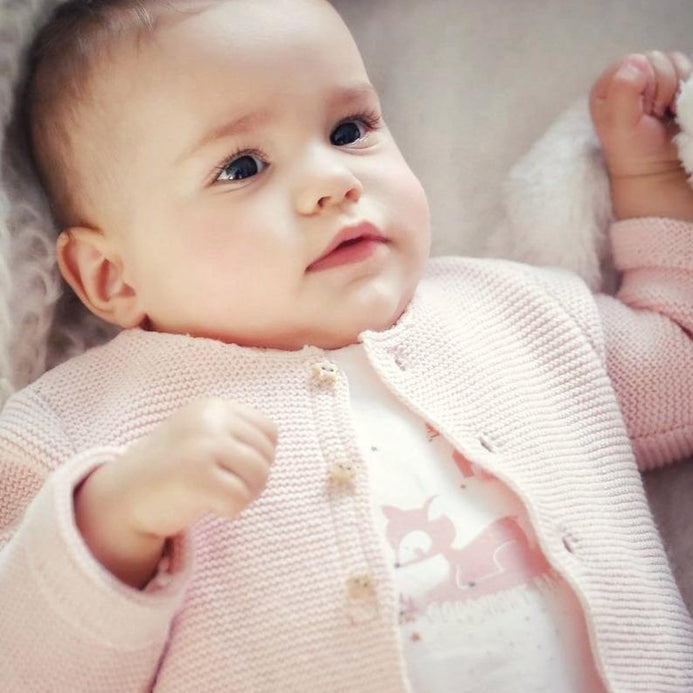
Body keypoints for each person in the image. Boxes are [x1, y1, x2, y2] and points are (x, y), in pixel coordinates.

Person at [1, 0, 692, 690]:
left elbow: (678, 364)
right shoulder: (78, 430)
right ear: (113, 275)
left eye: (348, 129)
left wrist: (652, 180)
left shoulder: (518, 313)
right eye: (242, 167)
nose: (334, 181)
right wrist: (111, 523)